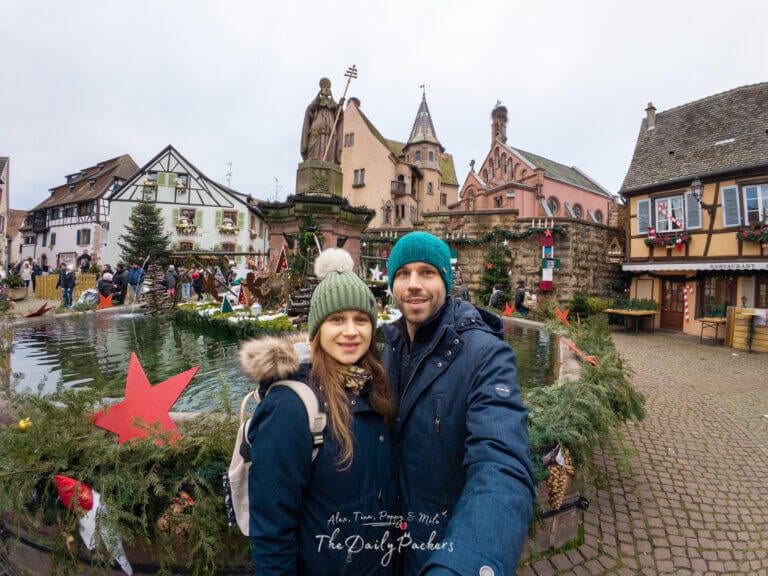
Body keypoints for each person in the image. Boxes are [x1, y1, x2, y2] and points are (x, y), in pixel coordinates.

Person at [382, 231, 535, 576]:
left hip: (442, 546)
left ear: (445, 281)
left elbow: (502, 465)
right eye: (403, 273)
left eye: (427, 272)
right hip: (386, 548)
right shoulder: (389, 346)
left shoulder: (486, 354)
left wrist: (461, 564)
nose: (414, 284)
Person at [240, 248, 398, 575]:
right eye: (337, 319)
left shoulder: (373, 386)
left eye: (361, 320)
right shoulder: (291, 406)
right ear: (317, 329)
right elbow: (272, 534)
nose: (351, 331)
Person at [300, 77, 344, 164]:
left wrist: (340, 106)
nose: (326, 89)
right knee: (314, 145)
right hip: (317, 129)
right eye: (324, 87)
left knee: (330, 145)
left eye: (328, 87)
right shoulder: (316, 102)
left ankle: (329, 161)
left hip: (330, 130)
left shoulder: (334, 104)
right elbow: (310, 111)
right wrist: (317, 98)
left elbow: (338, 118)